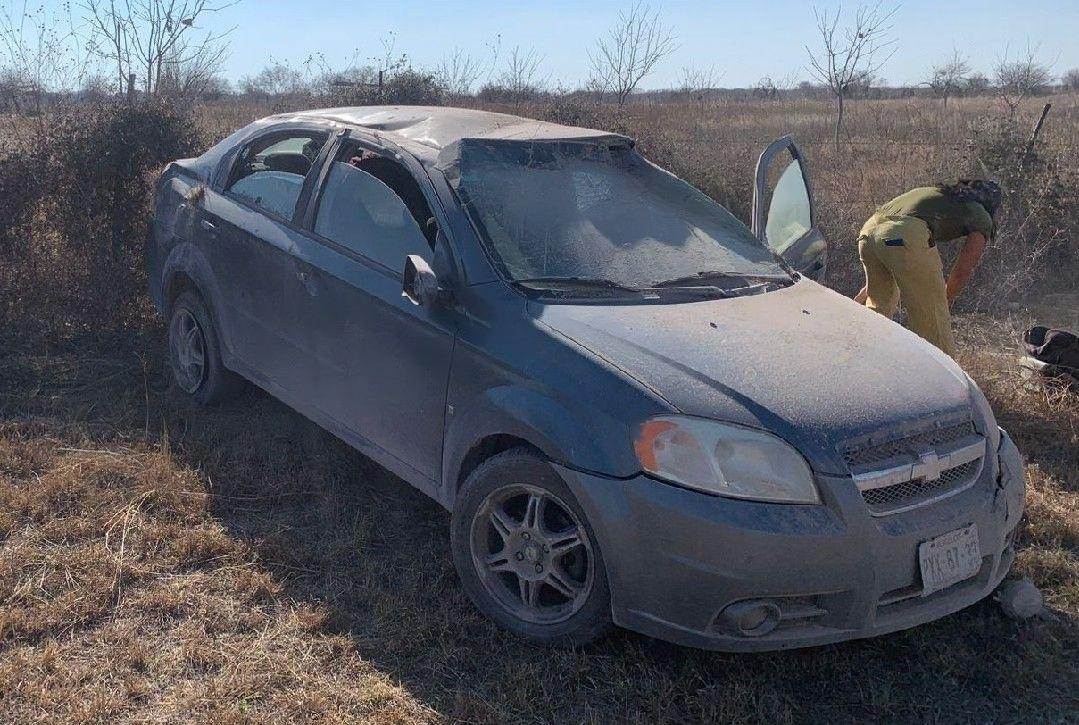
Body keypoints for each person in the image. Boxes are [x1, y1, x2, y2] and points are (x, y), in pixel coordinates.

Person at [854, 180, 1002, 357]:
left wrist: (868, 290)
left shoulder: (935, 193)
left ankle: (861, 356)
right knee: (933, 320)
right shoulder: (980, 214)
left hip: (867, 234)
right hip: (901, 237)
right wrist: (942, 301)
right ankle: (943, 379)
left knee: (878, 309)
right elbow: (962, 271)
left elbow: (884, 237)